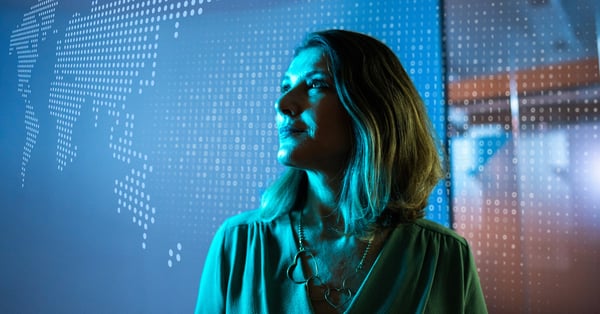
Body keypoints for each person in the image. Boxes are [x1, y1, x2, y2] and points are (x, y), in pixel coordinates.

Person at [195, 29, 487, 313]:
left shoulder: (443, 256)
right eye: (286, 87)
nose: (283, 104)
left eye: (316, 85)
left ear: (373, 109)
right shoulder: (238, 244)